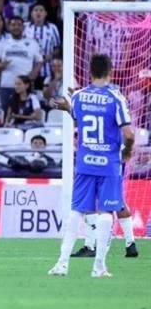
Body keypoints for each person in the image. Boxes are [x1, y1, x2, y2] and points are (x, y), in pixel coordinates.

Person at [48, 54, 134, 278]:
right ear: (110, 72)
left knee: (77, 210)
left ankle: (61, 264)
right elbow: (129, 133)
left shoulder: (78, 96)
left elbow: (79, 119)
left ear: (89, 72)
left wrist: (67, 109)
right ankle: (98, 267)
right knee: (106, 211)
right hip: (108, 164)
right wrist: (127, 150)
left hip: (85, 162)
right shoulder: (116, 98)